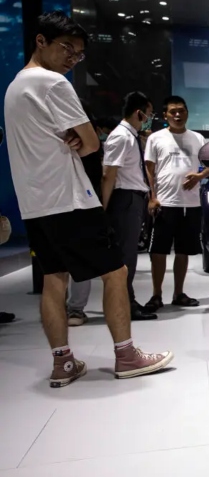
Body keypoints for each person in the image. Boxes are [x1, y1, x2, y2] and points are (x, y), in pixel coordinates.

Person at [3, 11, 173, 387]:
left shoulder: (14, 87)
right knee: (116, 272)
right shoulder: (53, 83)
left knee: (54, 279)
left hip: (35, 203)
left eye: (78, 53)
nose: (72, 58)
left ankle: (63, 363)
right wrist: (81, 140)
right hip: (70, 199)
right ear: (40, 41)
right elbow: (92, 143)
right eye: (67, 48)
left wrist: (77, 138)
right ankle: (126, 356)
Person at [143, 95, 209, 312]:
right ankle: (156, 295)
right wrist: (152, 197)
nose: (178, 115)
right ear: (165, 115)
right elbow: (149, 169)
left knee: (183, 251)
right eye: (173, 111)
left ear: (187, 113)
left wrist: (199, 177)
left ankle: (178, 293)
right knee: (158, 251)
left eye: (181, 110)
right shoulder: (156, 138)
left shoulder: (198, 138)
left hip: (190, 204)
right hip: (164, 203)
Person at [102, 92, 158, 321]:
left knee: (129, 254)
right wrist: (102, 209)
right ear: (139, 113)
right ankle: (125, 305)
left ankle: (129, 301)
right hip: (125, 199)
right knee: (126, 256)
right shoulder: (121, 137)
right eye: (149, 114)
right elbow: (109, 174)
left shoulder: (131, 136)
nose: (149, 119)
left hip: (133, 199)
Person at [66, 108, 108, 327]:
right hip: (58, 203)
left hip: (81, 204)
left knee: (78, 257)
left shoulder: (89, 148)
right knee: (59, 263)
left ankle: (75, 308)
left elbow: (96, 177)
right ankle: (70, 308)